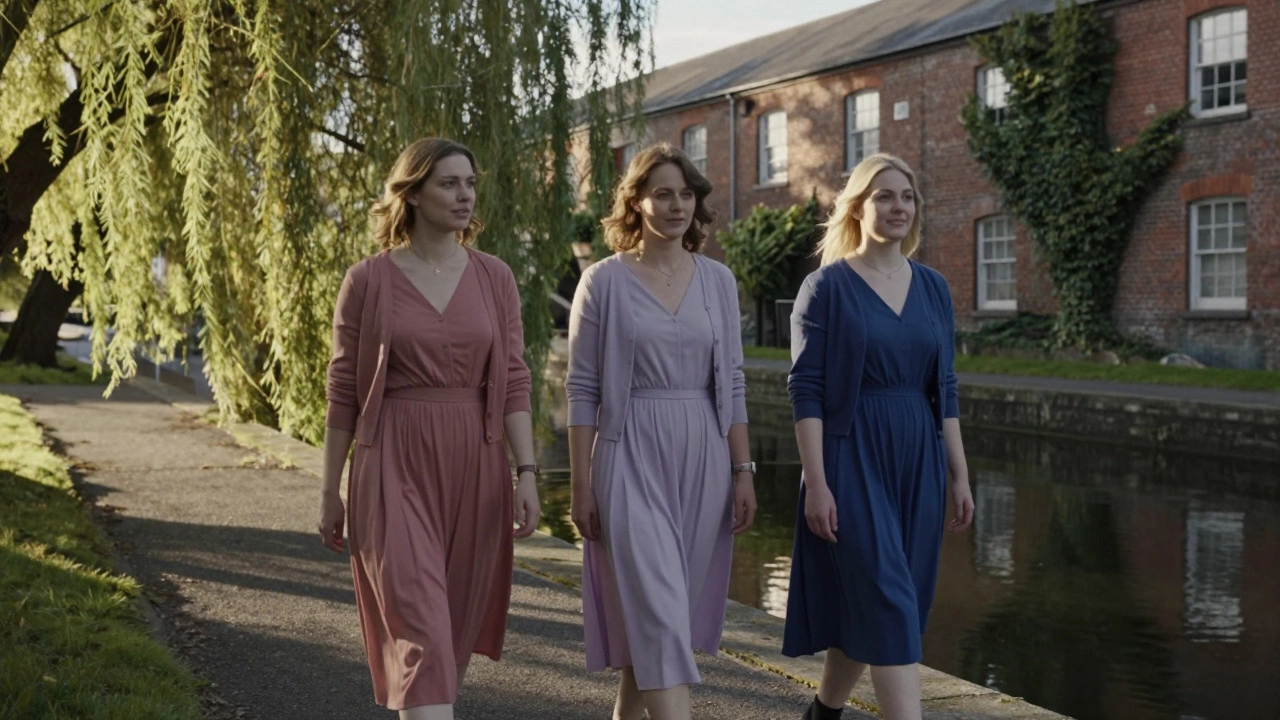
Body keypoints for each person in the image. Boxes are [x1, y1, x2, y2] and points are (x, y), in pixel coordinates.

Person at [317, 138, 541, 720]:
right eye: (448, 183)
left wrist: (527, 472)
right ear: (412, 194)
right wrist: (328, 490)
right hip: (393, 459)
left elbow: (514, 379)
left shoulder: (496, 278)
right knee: (420, 633)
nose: (464, 194)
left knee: (452, 637)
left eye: (469, 182)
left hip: (477, 460)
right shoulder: (368, 281)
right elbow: (343, 391)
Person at [566, 143, 757, 720]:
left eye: (686, 194)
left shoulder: (718, 281)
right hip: (629, 455)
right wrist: (581, 486)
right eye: (663, 193)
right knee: (659, 620)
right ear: (637, 202)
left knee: (646, 639)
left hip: (703, 454)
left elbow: (734, 381)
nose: (677, 205)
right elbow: (582, 391)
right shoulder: (602, 282)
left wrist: (743, 470)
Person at [782, 153, 975, 720]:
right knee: (888, 601)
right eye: (884, 196)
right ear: (858, 208)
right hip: (851, 457)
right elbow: (807, 392)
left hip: (920, 458)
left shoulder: (934, 287)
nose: (898, 207)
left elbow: (946, 387)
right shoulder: (826, 288)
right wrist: (816, 484)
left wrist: (959, 473)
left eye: (907, 197)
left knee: (892, 602)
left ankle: (822, 714)